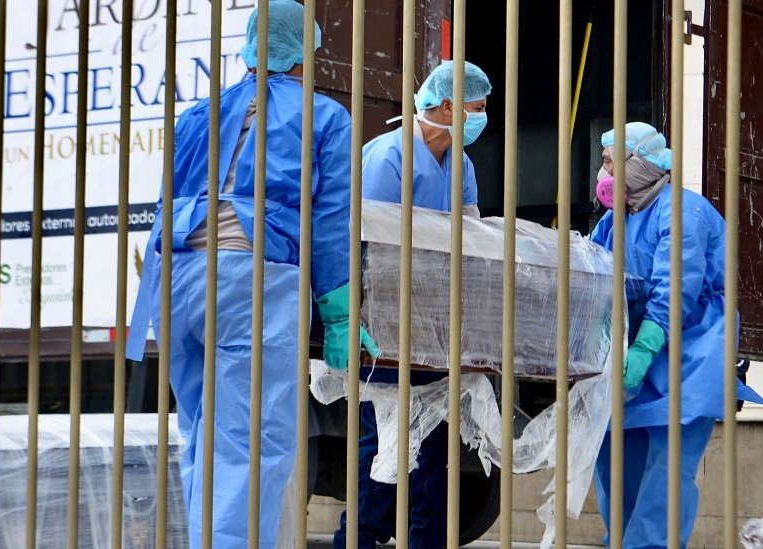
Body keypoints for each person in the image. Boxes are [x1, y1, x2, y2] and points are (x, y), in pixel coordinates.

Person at [126, 2, 375, 547]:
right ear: (304, 52)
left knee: (202, 440)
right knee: (250, 443)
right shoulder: (324, 116)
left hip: (176, 281)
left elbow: (166, 201)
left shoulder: (198, 113)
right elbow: (331, 221)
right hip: (248, 283)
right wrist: (337, 315)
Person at [332, 60, 492, 549]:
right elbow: (373, 248)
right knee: (382, 448)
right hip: (386, 327)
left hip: (439, 334)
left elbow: (471, 238)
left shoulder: (460, 162)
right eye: (477, 107)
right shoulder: (388, 157)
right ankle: (355, 540)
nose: (482, 116)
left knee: (435, 461)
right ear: (448, 105)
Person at [589, 122, 763, 548]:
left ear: (637, 166)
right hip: (632, 356)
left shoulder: (683, 212)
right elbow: (589, 274)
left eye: (610, 162)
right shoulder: (614, 222)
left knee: (667, 469)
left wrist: (645, 347)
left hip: (692, 356)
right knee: (614, 457)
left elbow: (675, 289)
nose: (602, 173)